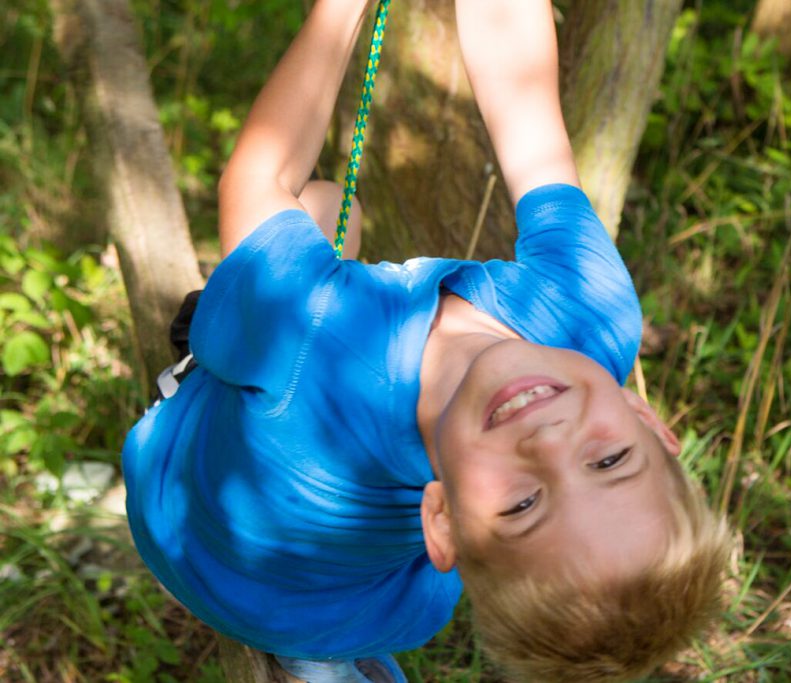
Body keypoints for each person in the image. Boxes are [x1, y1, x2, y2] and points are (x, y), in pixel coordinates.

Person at [122, 0, 732, 681]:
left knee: (318, 211)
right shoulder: (590, 315)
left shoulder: (314, 339)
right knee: (307, 231)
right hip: (374, 604)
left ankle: (308, 650)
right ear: (648, 421)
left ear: (440, 519)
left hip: (182, 532)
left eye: (523, 504)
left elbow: (258, 179)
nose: (551, 440)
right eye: (611, 459)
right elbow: (529, 112)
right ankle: (325, 650)